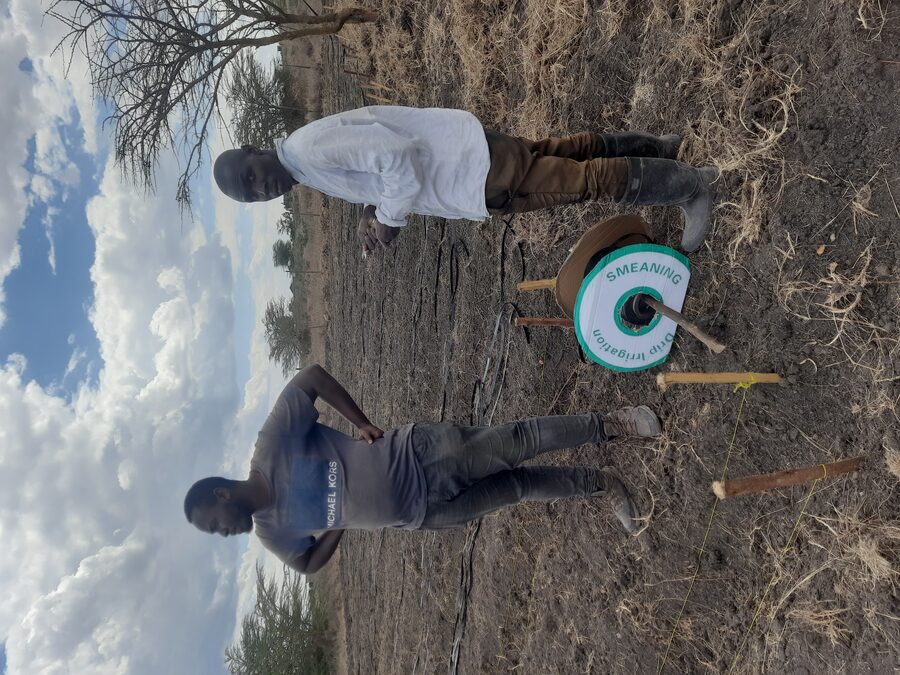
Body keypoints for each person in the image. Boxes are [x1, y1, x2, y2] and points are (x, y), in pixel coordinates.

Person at [184, 364, 661, 573]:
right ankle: (601, 484)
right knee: (516, 488)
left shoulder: (270, 448)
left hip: (419, 455)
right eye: (216, 534)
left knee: (519, 442)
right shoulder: (271, 533)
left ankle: (612, 424)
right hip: (424, 514)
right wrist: (340, 523)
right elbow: (306, 564)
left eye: (214, 526)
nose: (223, 534)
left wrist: (362, 422)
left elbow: (309, 378)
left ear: (222, 494)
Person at [212, 106, 719, 254]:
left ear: (254, 150)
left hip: (468, 171)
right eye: (253, 193)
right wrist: (371, 207)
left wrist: (388, 221)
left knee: (579, 180)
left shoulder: (307, 151)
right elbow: (375, 161)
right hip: (466, 152)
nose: (262, 187)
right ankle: (661, 147)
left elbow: (394, 157)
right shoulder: (302, 163)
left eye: (251, 175)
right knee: (564, 153)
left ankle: (692, 185)